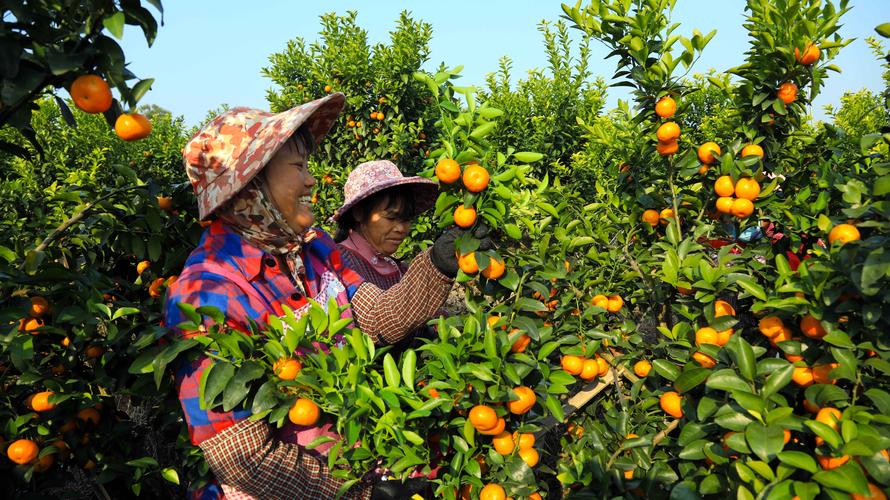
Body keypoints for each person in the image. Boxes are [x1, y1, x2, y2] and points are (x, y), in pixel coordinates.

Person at [163, 93, 466, 500]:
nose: (310, 180)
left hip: (362, 456)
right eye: (298, 167)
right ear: (251, 182)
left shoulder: (314, 247)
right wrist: (356, 493)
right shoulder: (207, 293)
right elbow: (241, 453)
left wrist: (438, 264)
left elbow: (375, 318)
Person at [332, 160, 438, 290]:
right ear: (359, 213)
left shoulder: (399, 269)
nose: (401, 229)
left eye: (406, 219)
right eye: (391, 218)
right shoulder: (339, 264)